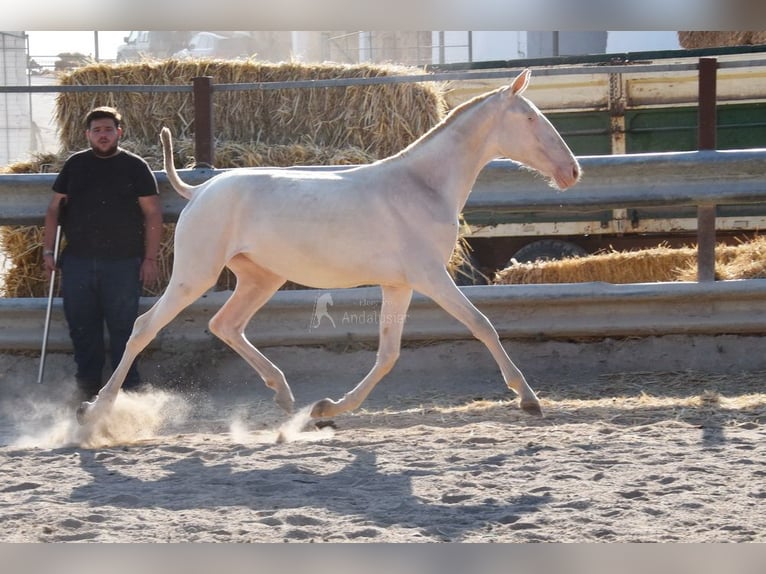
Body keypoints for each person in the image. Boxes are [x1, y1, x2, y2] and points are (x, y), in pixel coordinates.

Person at [43, 106, 162, 399]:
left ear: (119, 132)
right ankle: (87, 392)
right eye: (97, 130)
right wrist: (48, 250)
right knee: (83, 330)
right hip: (78, 262)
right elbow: (54, 210)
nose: (103, 135)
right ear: (87, 135)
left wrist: (149, 259)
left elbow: (153, 214)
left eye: (108, 129)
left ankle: (130, 392)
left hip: (123, 263)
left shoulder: (135, 166)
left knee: (125, 330)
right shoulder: (75, 165)